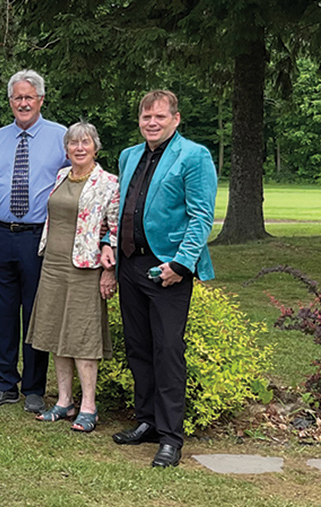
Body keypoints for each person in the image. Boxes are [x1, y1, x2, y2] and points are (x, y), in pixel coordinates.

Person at [111, 90, 217, 468]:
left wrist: (181, 264)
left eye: (159, 117)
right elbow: (120, 210)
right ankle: (148, 421)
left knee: (168, 351)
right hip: (131, 266)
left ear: (175, 118)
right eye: (145, 117)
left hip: (168, 270)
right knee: (139, 348)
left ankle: (171, 437)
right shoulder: (129, 156)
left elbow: (201, 216)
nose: (151, 123)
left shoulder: (194, 156)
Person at [0, 69, 68, 412]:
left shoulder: (61, 137)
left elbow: (77, 183)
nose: (23, 103)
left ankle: (34, 387)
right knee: (3, 312)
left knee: (36, 312)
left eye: (29, 97)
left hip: (40, 238)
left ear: (41, 100)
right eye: (17, 98)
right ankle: (4, 383)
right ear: (10, 102)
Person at [25, 122, 120, 433]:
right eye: (73, 143)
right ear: (66, 149)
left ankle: (89, 405)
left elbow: (114, 230)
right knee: (56, 333)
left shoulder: (108, 183)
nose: (79, 148)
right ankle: (64, 401)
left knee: (82, 336)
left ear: (95, 147)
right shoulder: (60, 176)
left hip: (85, 268)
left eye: (86, 143)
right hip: (53, 264)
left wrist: (109, 269)